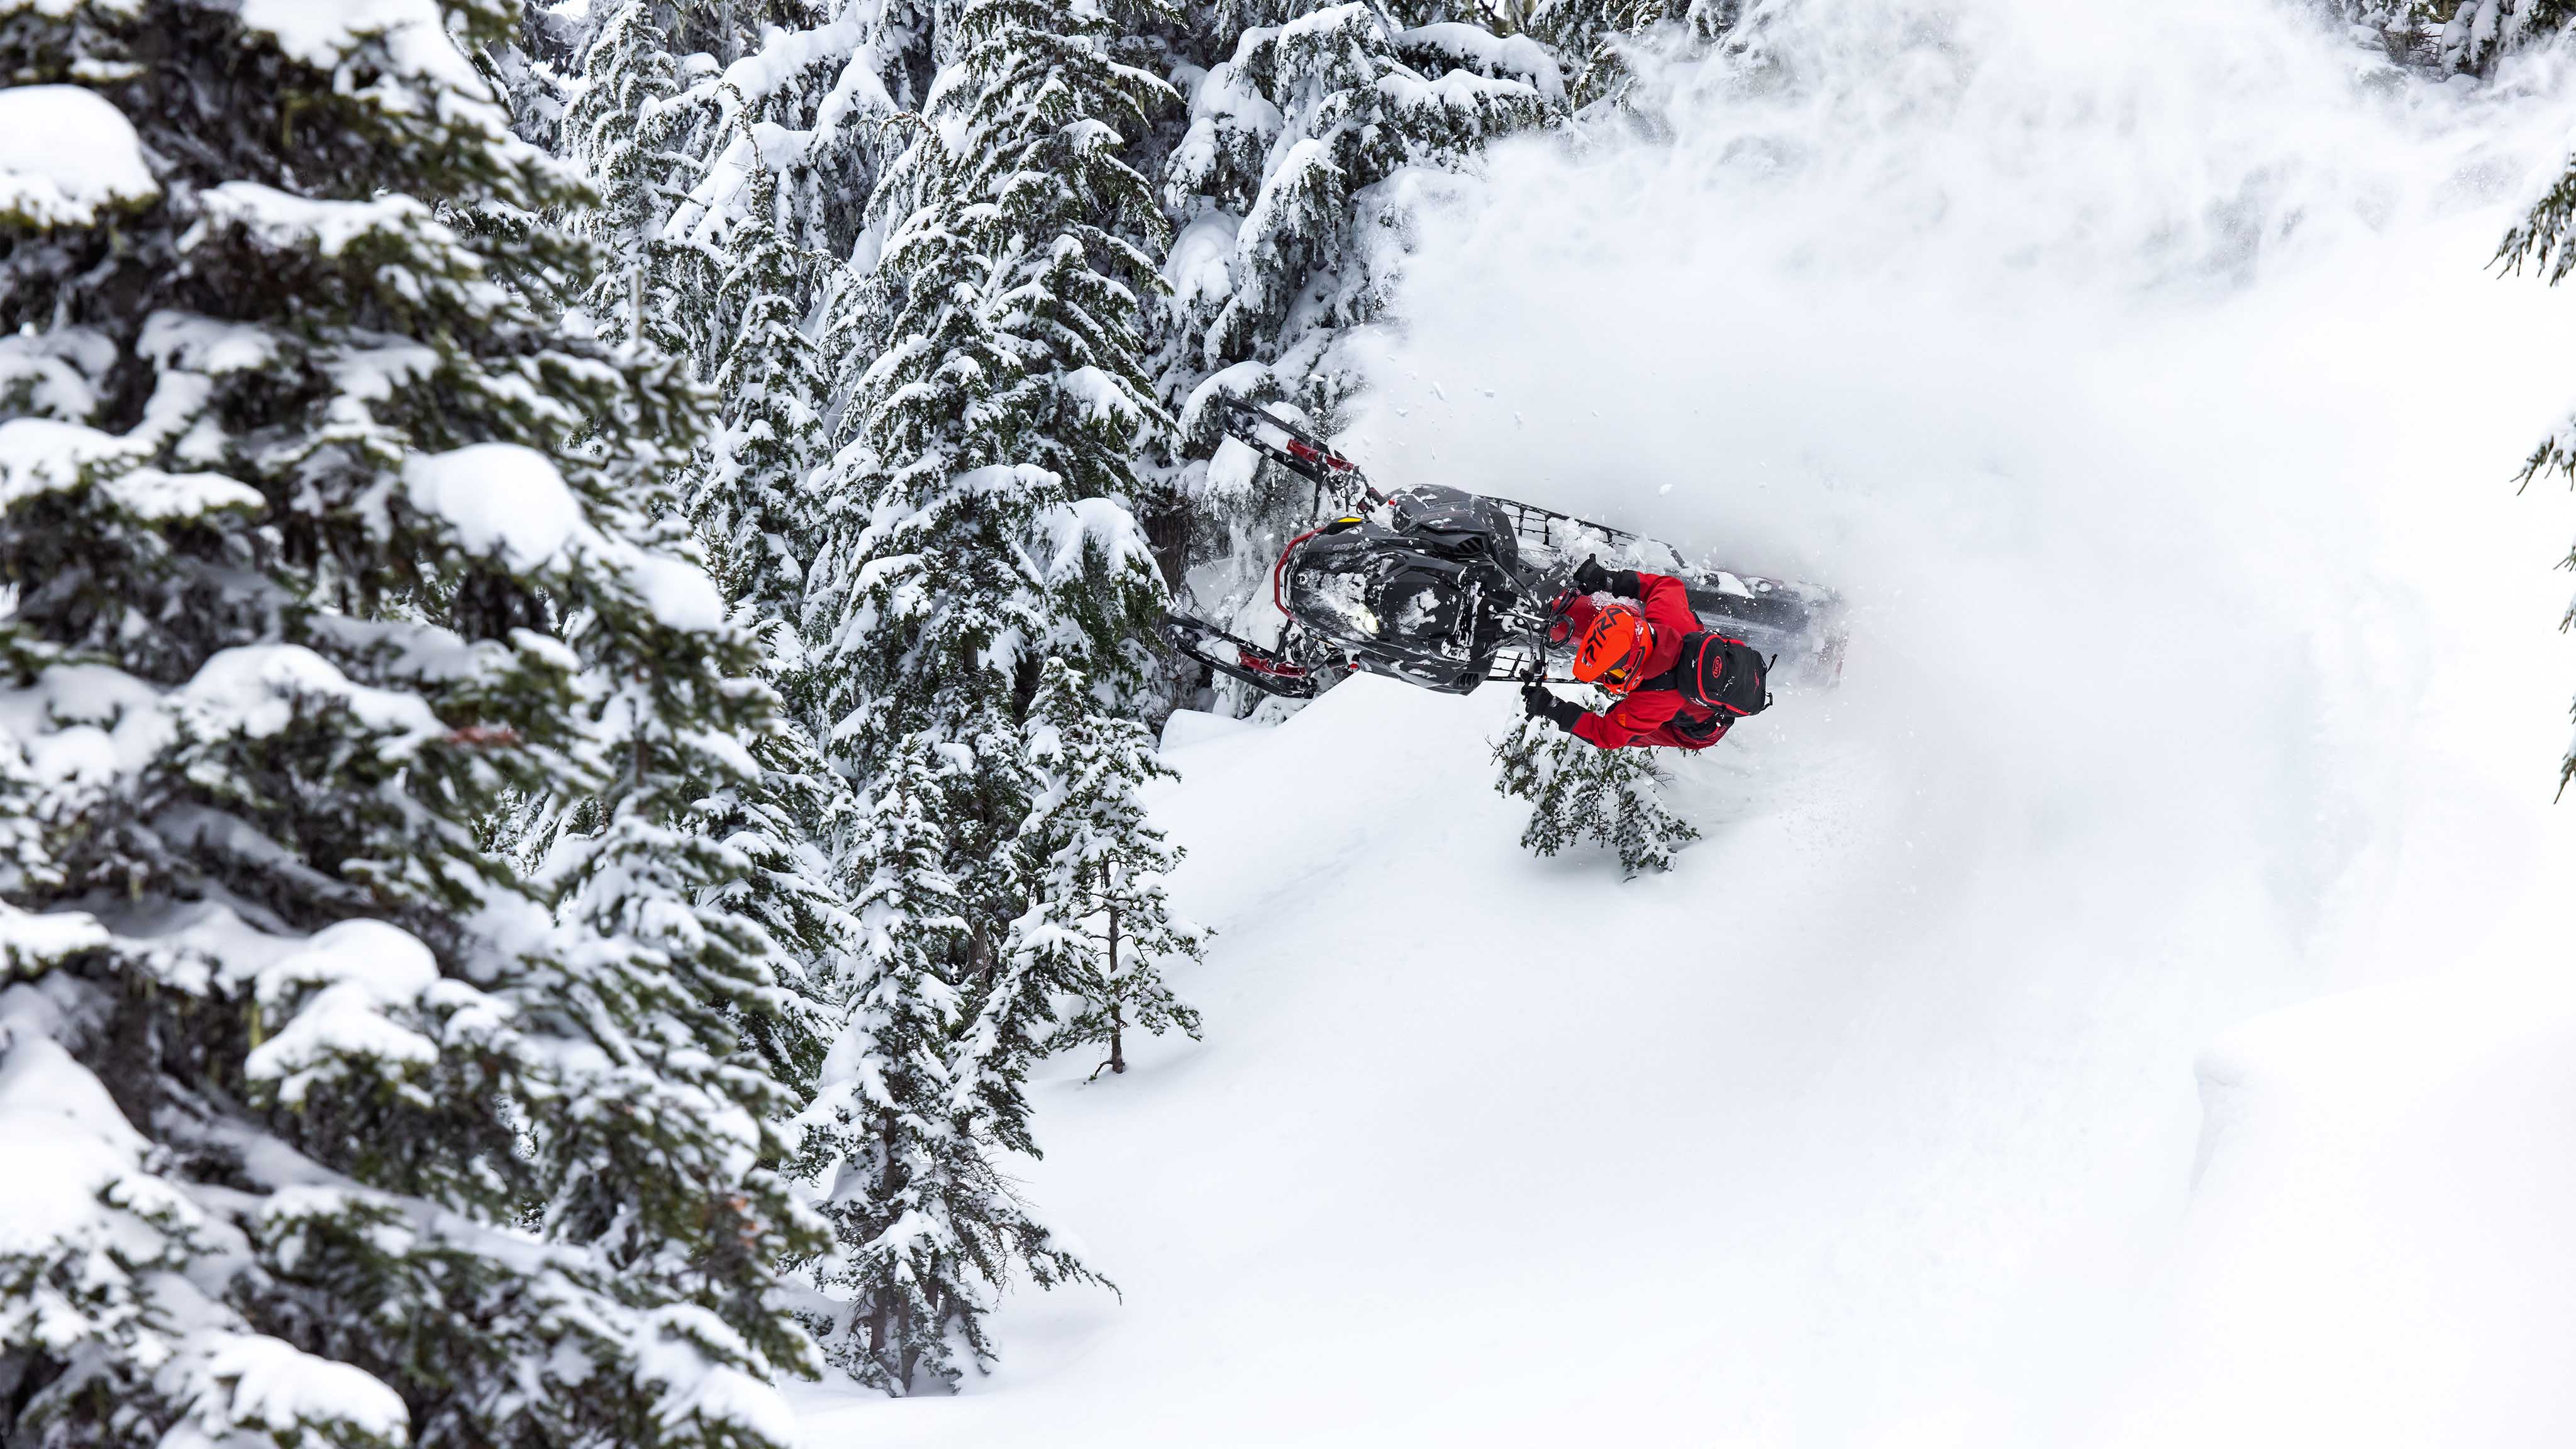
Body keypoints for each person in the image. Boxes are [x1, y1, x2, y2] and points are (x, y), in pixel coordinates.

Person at [1519, 556, 1731, 751]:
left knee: (1621, 721)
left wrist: (1553, 709)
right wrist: (1608, 581)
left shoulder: (1653, 702)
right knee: (1622, 719)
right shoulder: (1668, 617)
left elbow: (1608, 735)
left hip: (1698, 732)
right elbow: (1665, 586)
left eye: (1613, 675)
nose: (1607, 680)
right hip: (1713, 671)